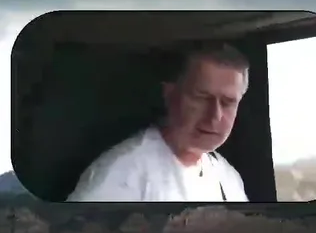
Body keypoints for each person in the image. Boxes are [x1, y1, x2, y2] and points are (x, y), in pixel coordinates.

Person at [67, 43, 250, 202]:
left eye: (228, 102)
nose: (215, 116)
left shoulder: (227, 178)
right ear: (170, 95)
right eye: (201, 98)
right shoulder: (122, 175)